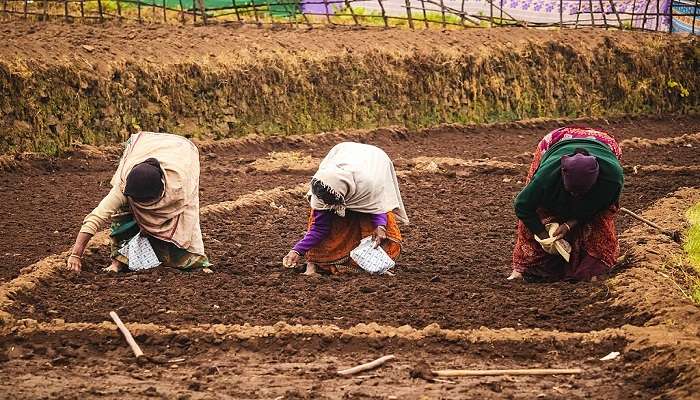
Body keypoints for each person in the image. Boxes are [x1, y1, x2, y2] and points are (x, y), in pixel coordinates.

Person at [67, 132, 210, 273]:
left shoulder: (179, 189)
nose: (139, 204)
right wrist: (75, 254)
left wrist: (198, 255)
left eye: (142, 201)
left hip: (180, 152)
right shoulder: (124, 187)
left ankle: (189, 261)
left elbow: (191, 218)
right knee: (122, 215)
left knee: (181, 222)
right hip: (144, 148)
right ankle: (118, 262)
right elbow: (96, 217)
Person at [509, 127, 624, 282]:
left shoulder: (612, 179)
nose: (576, 197)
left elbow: (601, 205)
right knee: (538, 212)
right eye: (571, 192)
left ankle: (592, 266)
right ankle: (524, 269)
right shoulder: (545, 177)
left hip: (604, 144)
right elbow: (523, 205)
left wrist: (571, 223)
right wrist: (543, 236)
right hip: (557, 141)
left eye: (582, 194)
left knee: (599, 221)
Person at [282, 142, 409, 276]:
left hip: (374, 163)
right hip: (342, 154)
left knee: (371, 225)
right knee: (326, 219)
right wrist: (296, 251)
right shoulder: (320, 188)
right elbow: (319, 227)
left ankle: (375, 264)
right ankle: (313, 263)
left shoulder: (369, 184)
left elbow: (378, 205)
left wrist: (381, 226)